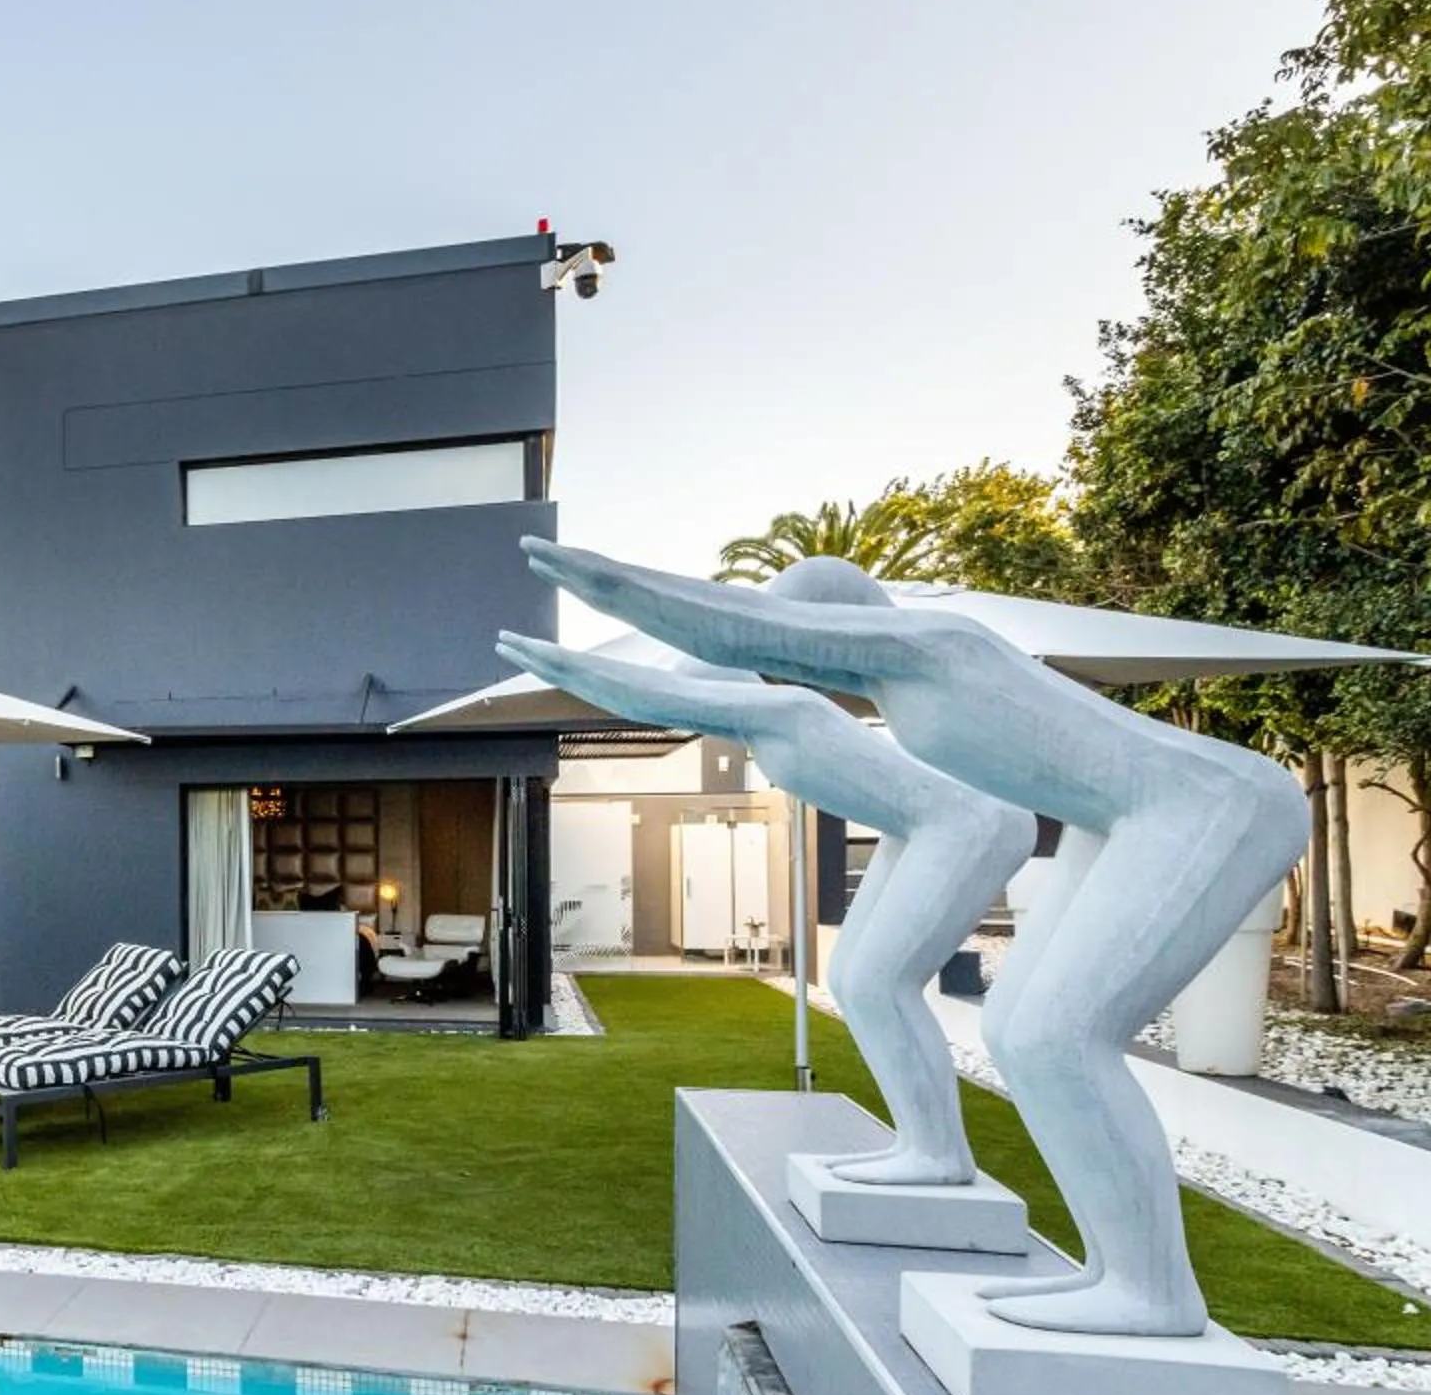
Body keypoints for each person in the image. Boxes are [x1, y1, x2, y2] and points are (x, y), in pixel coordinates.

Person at [521, 542, 1307, 1339]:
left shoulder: (935, 646)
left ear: (829, 621)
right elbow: (725, 661)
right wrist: (585, 666)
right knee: (1009, 1029)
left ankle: (1153, 1292)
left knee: (1052, 1038)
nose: (786, 661)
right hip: (1113, 820)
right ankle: (1109, 1270)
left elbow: (735, 631)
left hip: (1203, 804)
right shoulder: (887, 693)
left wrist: (603, 587)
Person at [501, 635, 1032, 1187]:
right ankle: (928, 1143)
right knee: (857, 980)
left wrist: (561, 665)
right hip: (918, 826)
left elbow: (648, 696)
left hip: (957, 825)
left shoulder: (785, 711)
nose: (692, 702)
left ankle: (935, 1150)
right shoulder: (777, 729)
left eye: (695, 685)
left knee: (875, 983)